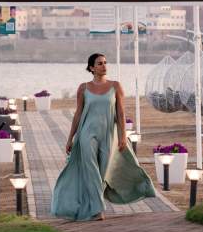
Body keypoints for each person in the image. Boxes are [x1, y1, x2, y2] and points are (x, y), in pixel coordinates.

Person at [51, 53, 157, 221]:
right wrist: (70, 138)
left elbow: (121, 114)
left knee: (103, 171)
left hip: (108, 134)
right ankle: (98, 209)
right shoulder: (83, 88)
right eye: (99, 63)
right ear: (92, 68)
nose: (104, 66)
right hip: (87, 134)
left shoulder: (115, 86)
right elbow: (78, 114)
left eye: (105, 63)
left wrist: (123, 136)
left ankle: (94, 204)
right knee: (91, 170)